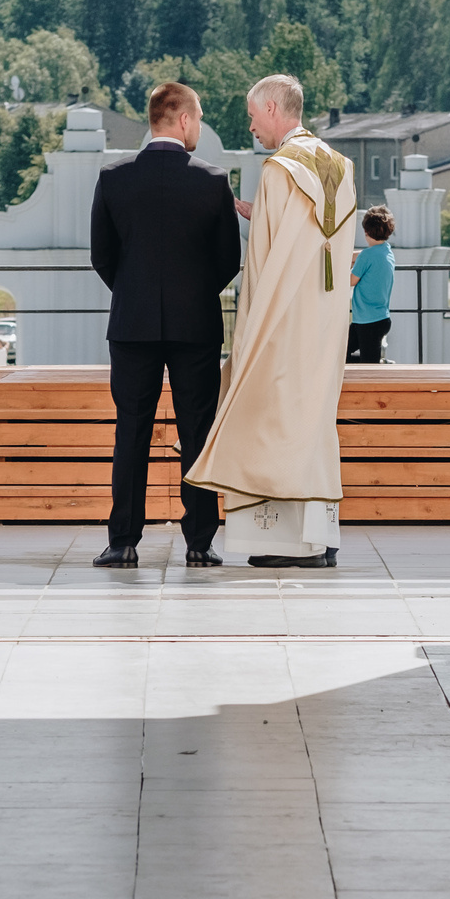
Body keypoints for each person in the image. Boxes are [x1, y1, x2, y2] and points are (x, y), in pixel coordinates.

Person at [185, 73, 356, 568]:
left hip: (282, 322)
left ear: (274, 110)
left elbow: (266, 263)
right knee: (313, 419)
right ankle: (320, 540)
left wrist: (250, 330)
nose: (252, 126)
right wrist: (260, 215)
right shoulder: (337, 166)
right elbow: (309, 242)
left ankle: (286, 544)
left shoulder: (280, 169)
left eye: (253, 115)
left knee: (271, 417)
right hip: (322, 321)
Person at [88, 81, 243, 568]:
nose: (197, 125)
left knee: (130, 430)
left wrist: (134, 294)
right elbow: (228, 259)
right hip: (195, 325)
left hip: (131, 326)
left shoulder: (113, 178)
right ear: (181, 120)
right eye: (196, 117)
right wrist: (193, 295)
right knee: (197, 431)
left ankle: (122, 542)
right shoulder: (213, 180)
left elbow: (102, 256)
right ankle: (199, 541)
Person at [347, 207, 396, 361]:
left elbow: (350, 280)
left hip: (367, 322)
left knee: (369, 364)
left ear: (366, 231)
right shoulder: (386, 251)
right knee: (341, 353)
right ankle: (380, 363)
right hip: (379, 318)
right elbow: (365, 255)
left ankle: (382, 366)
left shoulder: (367, 256)